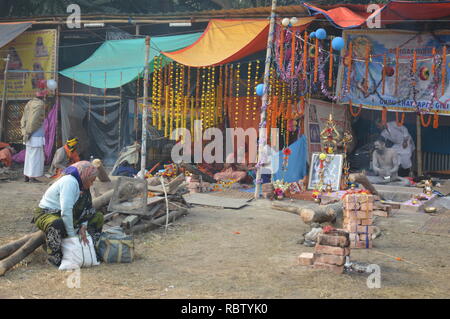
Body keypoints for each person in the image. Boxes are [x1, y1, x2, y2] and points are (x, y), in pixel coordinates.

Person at [33, 161, 104, 266]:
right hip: (47, 213)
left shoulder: (83, 184)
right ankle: (54, 256)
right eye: (92, 180)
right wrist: (72, 237)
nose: (92, 184)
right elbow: (66, 212)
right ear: (85, 175)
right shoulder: (69, 182)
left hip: (70, 214)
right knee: (57, 224)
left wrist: (83, 226)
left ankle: (89, 248)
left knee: (98, 217)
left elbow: (87, 207)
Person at [21, 82, 47, 182]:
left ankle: (26, 176)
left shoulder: (29, 103)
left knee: (29, 155)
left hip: (28, 133)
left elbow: (24, 118)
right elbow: (34, 121)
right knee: (36, 156)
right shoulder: (40, 105)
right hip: (35, 134)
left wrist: (25, 132)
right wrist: (30, 131)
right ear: (43, 97)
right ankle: (32, 176)